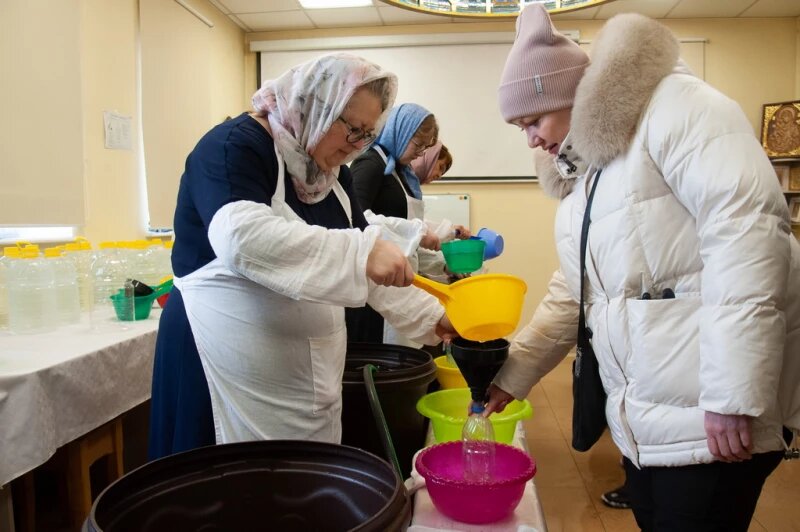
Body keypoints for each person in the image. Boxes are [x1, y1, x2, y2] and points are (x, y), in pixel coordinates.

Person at [484, 5, 800, 531]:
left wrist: (733, 393)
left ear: (568, 95)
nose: (532, 141)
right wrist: (514, 377)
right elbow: (577, 290)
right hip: (649, 419)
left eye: (533, 121)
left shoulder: (679, 109)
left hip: (712, 416)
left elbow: (748, 234)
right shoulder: (589, 173)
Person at [151, 52, 456, 448]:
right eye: (353, 129)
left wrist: (435, 317)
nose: (357, 146)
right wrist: (359, 253)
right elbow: (241, 237)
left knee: (298, 487)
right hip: (221, 375)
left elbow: (374, 270)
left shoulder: (329, 175)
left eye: (369, 134)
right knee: (226, 490)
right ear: (316, 105)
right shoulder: (233, 147)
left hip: (301, 389)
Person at [345, 103, 443, 344]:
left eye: (425, 148)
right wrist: (416, 232)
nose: (420, 154)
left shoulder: (398, 170)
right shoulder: (370, 164)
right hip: (375, 286)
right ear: (400, 131)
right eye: (417, 145)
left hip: (400, 278)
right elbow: (355, 218)